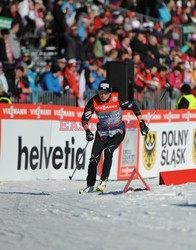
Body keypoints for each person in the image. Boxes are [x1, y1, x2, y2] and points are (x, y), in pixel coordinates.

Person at [79, 80, 149, 193]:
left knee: (108, 151)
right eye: (100, 92)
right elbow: (84, 119)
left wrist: (142, 124)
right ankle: (90, 185)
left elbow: (134, 106)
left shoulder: (117, 99)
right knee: (93, 158)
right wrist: (87, 131)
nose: (102, 95)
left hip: (118, 131)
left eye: (105, 93)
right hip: (102, 132)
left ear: (110, 93)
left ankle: (104, 180)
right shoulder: (93, 101)